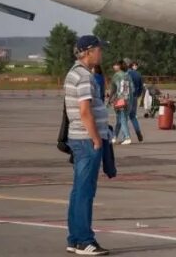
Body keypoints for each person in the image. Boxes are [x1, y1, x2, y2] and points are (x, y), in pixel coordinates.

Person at [64, 35, 111, 255]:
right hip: (86, 139)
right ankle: (84, 240)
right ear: (89, 51)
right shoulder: (84, 76)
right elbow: (85, 111)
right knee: (85, 191)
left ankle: (75, 238)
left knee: (78, 190)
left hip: (79, 138)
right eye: (99, 50)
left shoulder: (76, 72)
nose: (101, 53)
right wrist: (95, 138)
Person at [109, 61, 132, 145]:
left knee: (122, 119)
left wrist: (110, 99)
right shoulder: (127, 75)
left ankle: (127, 137)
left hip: (120, 99)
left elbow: (113, 89)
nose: (113, 66)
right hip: (128, 99)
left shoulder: (116, 75)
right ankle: (114, 137)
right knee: (120, 119)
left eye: (115, 64)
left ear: (119, 66)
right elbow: (131, 88)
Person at [126, 61, 144, 143]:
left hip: (127, 97)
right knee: (133, 116)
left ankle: (126, 136)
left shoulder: (126, 74)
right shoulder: (138, 74)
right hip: (135, 97)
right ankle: (138, 132)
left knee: (124, 118)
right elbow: (141, 86)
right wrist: (138, 94)